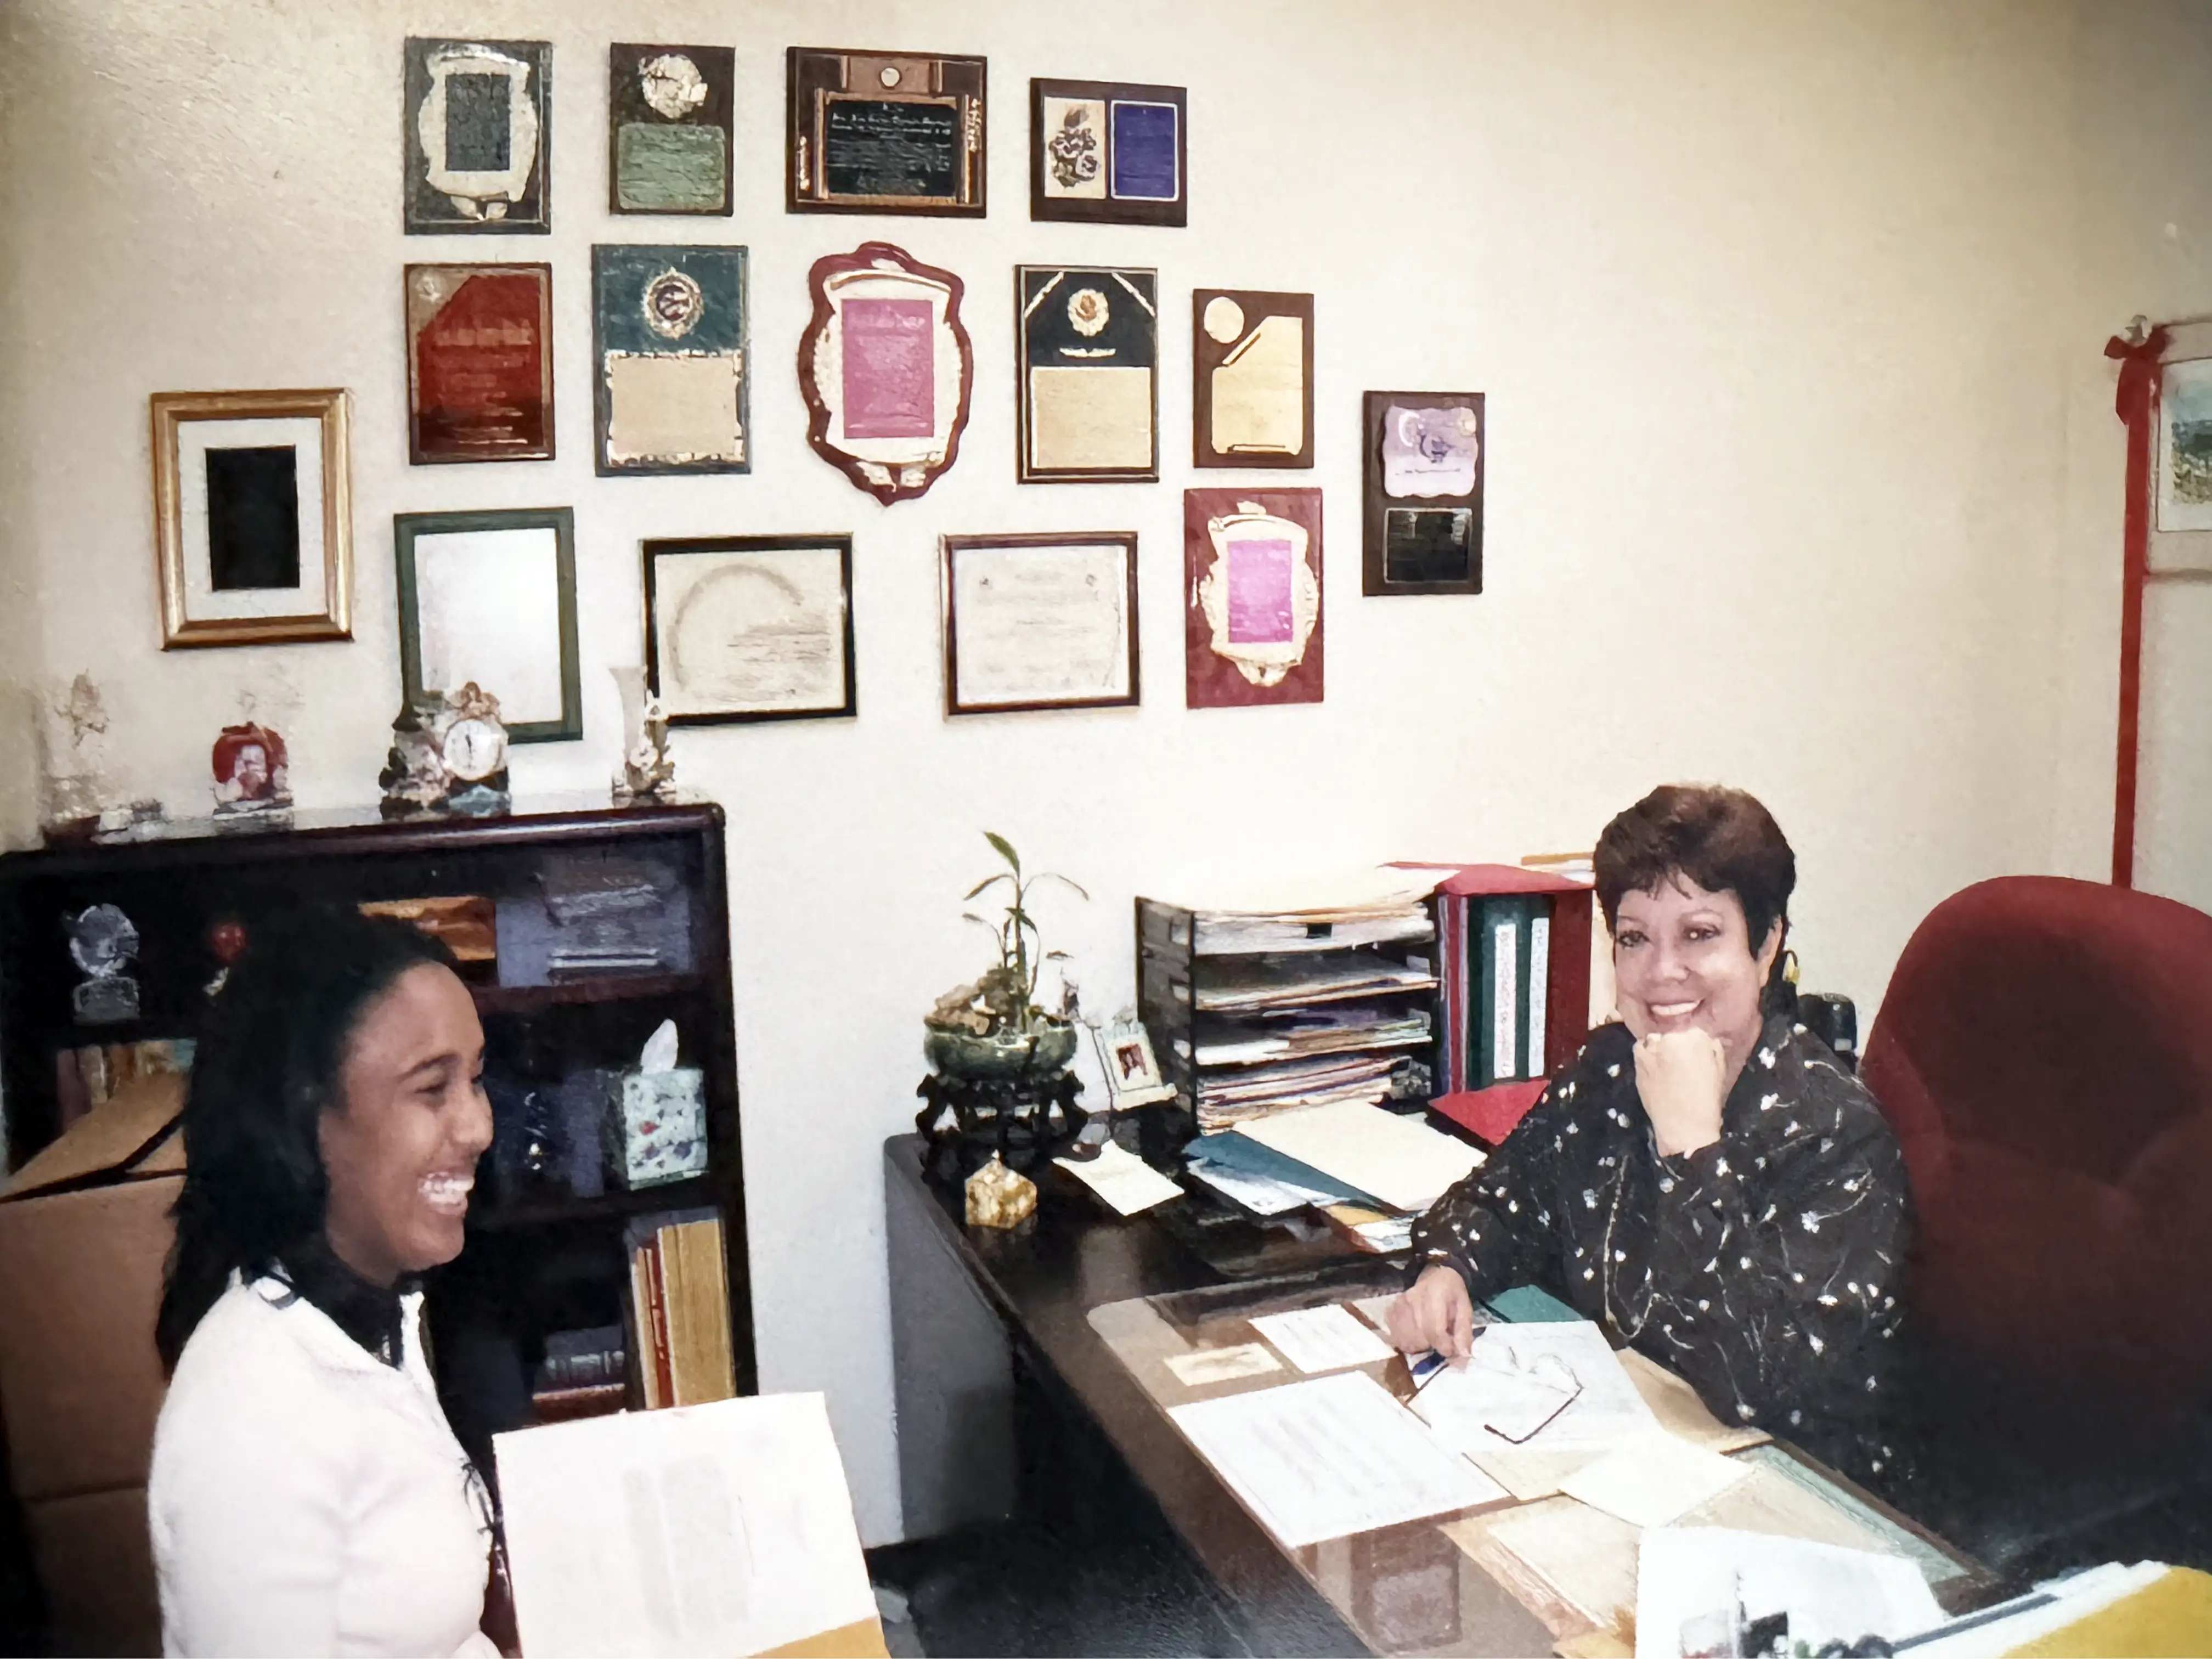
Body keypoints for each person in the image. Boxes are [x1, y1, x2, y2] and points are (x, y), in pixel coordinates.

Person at [1388, 784, 1911, 1481]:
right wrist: (1445, 1269)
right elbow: (1495, 1201)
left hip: (1795, 1495)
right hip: (1625, 1453)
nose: (1662, 972)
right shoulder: (1609, 1068)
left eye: (1700, 934)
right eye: (1635, 938)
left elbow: (1752, 1383)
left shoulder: (1837, 1136)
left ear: (1767, 945)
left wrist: (1692, 1145)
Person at [149, 911, 504, 1659]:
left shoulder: (377, 1319)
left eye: (475, 1081)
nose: (477, 1127)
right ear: (306, 1117)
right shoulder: (254, 1407)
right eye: (432, 1089)